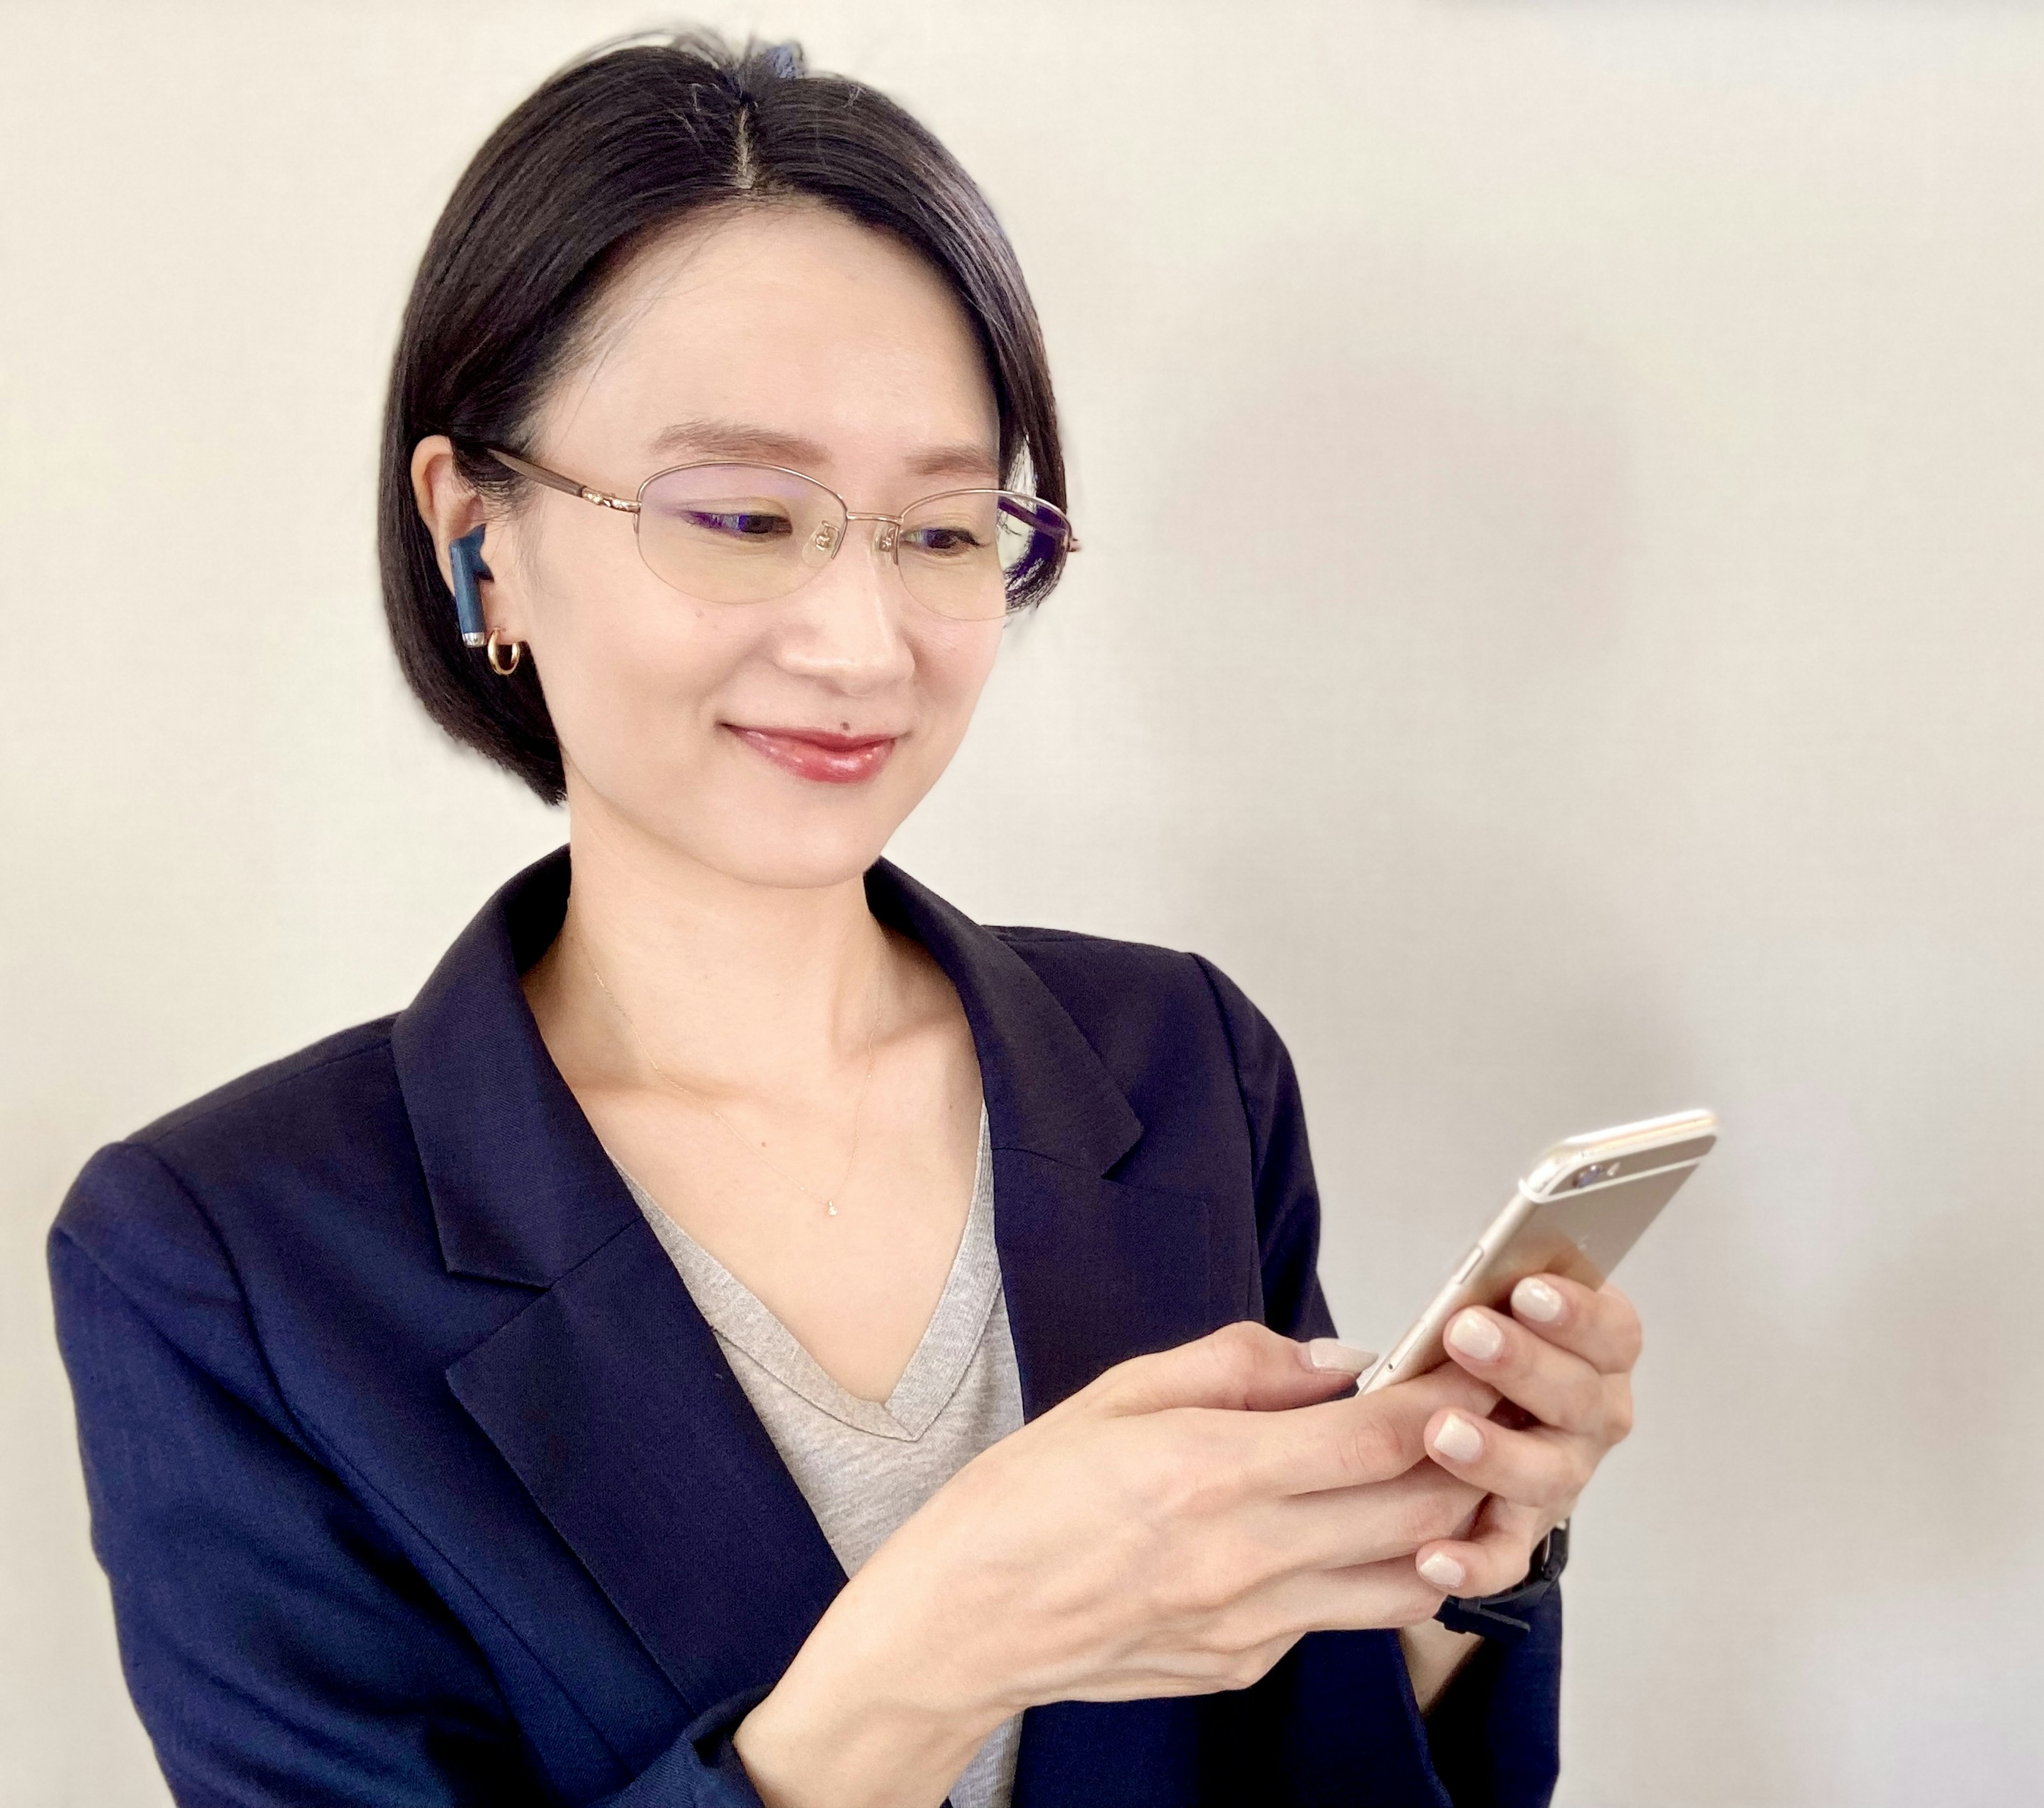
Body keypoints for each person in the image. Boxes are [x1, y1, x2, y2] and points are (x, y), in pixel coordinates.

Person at [49, 33, 1642, 1808]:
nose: (863, 645)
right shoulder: (228, 1257)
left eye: (947, 533)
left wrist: (1447, 1559)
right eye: (744, 514)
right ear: (478, 536)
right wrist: (945, 1644)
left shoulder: (1178, 1064)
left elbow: (1311, 1761)